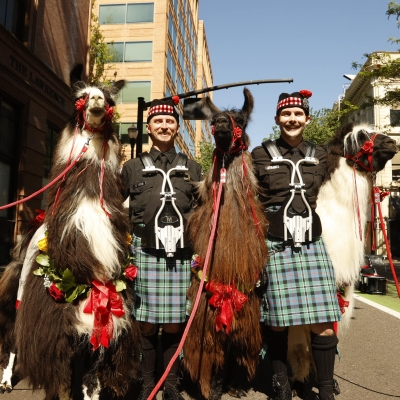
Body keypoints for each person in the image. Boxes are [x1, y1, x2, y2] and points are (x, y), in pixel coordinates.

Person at [251, 91, 341, 400]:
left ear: (307, 118)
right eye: (286, 114)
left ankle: (325, 389)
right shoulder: (259, 154)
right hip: (276, 242)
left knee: (323, 322)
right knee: (277, 321)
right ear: (277, 119)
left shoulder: (321, 155)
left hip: (312, 241)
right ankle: (281, 384)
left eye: (298, 114)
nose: (292, 119)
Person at [121, 99, 202, 400]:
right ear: (149, 127)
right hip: (144, 252)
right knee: (145, 323)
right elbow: (113, 208)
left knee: (174, 323)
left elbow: (205, 211)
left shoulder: (192, 168)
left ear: (177, 128)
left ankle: (170, 384)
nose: (164, 126)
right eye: (158, 121)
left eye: (170, 122)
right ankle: (147, 383)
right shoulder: (131, 168)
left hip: (181, 254)